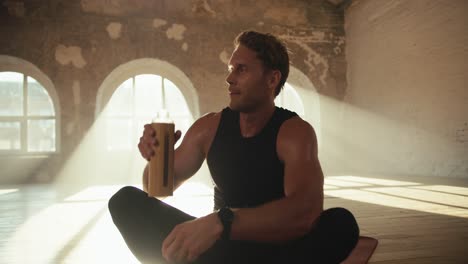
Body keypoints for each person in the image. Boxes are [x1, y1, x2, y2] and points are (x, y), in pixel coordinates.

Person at [108, 31, 359, 264]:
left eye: (241, 69)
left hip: (277, 249)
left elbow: (304, 213)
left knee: (341, 223)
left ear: (272, 79)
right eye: (230, 69)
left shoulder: (294, 132)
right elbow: (156, 188)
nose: (229, 78)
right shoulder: (209, 127)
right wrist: (155, 159)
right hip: (223, 249)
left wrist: (224, 221)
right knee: (125, 202)